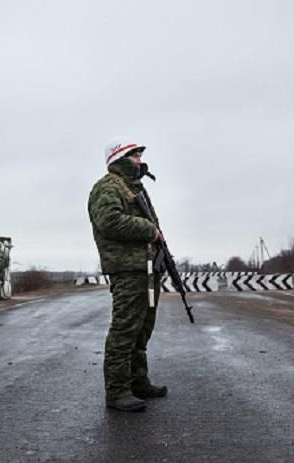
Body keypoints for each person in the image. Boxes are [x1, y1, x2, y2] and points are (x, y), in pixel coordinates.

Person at [88, 136, 168, 412]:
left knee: (142, 330)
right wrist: (149, 230)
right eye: (135, 156)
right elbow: (109, 221)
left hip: (145, 267)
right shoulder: (108, 187)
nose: (140, 160)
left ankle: (137, 382)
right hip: (127, 269)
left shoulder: (133, 187)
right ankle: (118, 391)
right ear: (120, 159)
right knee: (124, 330)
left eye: (140, 155)